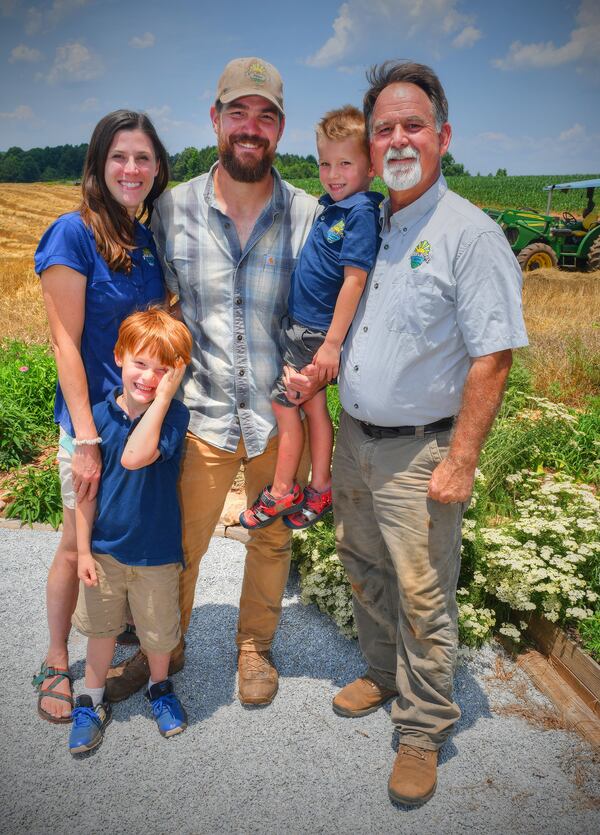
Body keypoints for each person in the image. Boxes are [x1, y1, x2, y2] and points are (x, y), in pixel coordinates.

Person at [330, 61, 528, 805]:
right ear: (371, 142)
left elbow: (494, 354)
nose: (398, 138)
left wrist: (463, 459)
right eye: (384, 128)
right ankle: (382, 673)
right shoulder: (373, 221)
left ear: (443, 136)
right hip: (355, 437)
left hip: (422, 449)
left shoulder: (467, 234)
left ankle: (423, 727)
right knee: (362, 561)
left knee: (423, 591)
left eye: (413, 125)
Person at [104, 57, 319, 707]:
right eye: (239, 113)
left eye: (266, 116)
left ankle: (254, 645)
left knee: (272, 536)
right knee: (177, 542)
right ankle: (161, 645)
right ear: (216, 119)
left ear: (281, 129)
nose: (251, 127)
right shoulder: (171, 212)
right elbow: (146, 310)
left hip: (278, 419)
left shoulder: (307, 216)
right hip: (197, 413)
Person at [32, 111, 170, 723]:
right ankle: (58, 659)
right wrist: (86, 437)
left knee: (124, 536)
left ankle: (120, 629)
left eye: (143, 158)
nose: (132, 169)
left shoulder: (144, 241)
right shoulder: (72, 233)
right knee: (74, 543)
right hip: (94, 424)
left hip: (138, 422)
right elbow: (65, 344)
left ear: (157, 167)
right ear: (98, 164)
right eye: (119, 157)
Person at [239, 105, 382, 532]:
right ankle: (320, 487)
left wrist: (331, 345)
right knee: (315, 411)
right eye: (324, 163)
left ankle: (284, 489)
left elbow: (354, 281)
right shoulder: (334, 206)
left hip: (315, 333)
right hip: (305, 329)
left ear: (370, 167)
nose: (332, 173)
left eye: (345, 163)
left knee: (285, 408)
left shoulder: (359, 214)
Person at [68, 308, 192, 754]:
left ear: (175, 377)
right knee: (100, 631)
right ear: (119, 356)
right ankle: (91, 699)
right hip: (103, 550)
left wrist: (161, 401)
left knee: (157, 634)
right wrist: (82, 551)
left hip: (156, 553)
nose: (149, 377)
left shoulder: (174, 418)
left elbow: (135, 456)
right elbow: (85, 495)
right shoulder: (97, 419)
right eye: (141, 363)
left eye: (163, 371)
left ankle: (160, 688)